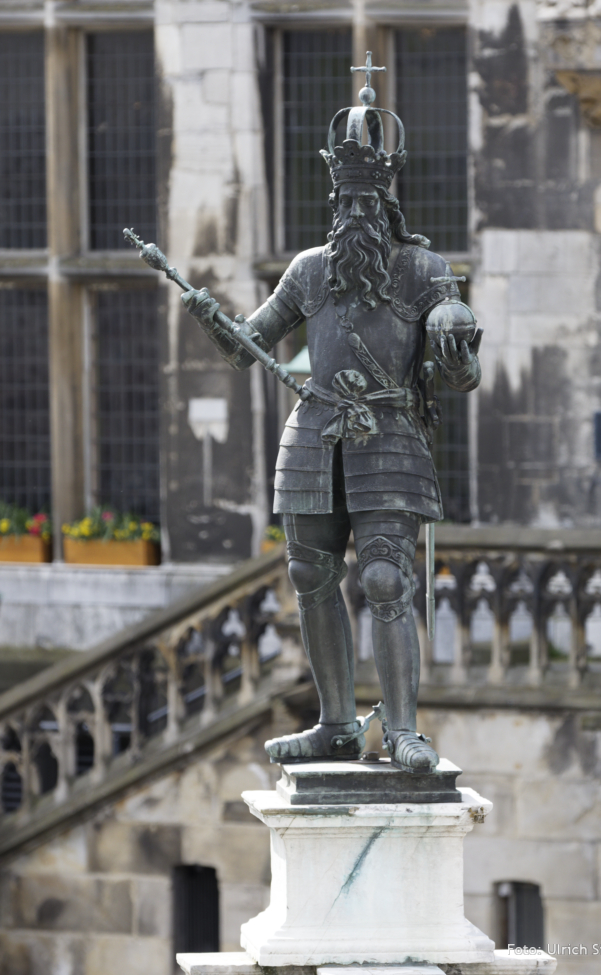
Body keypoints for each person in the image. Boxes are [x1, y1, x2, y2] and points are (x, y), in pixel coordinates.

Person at [181, 59, 482, 773]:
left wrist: (453, 335)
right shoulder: (309, 269)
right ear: (335, 199)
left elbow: (460, 375)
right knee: (309, 575)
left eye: (367, 200)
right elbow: (249, 346)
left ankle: (402, 730)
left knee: (384, 580)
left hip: (390, 438)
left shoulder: (425, 271)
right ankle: (337, 725)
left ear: (386, 200)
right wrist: (212, 319)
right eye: (347, 200)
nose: (357, 211)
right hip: (313, 438)